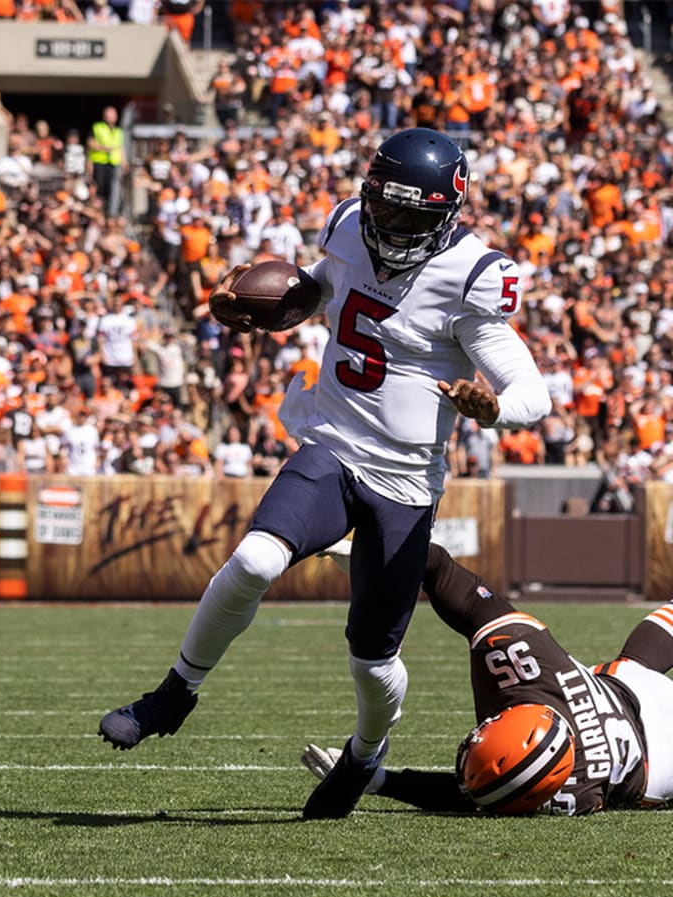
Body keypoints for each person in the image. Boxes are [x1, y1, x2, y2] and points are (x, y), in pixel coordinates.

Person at [97, 128, 552, 819]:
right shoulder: (346, 226)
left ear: (446, 216)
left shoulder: (470, 274)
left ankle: (365, 754)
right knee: (253, 559)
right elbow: (326, 294)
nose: (393, 228)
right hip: (334, 444)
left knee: (372, 663)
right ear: (368, 199)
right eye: (386, 211)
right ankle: (174, 693)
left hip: (404, 483)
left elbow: (533, 391)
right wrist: (270, 309)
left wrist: (494, 410)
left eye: (411, 218)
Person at [302, 543, 673, 816]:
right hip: (657, 750)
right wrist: (387, 557)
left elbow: (442, 573)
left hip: (622, 687)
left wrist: (379, 557)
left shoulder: (562, 787)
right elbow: (443, 572)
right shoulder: (568, 787)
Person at [87, 106, 124, 217]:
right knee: (99, 190)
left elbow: (121, 148)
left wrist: (124, 162)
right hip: (100, 163)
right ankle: (99, 214)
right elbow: (90, 143)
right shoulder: (97, 127)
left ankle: (110, 214)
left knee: (112, 191)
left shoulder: (119, 131)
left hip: (114, 164)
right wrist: (106, 148)